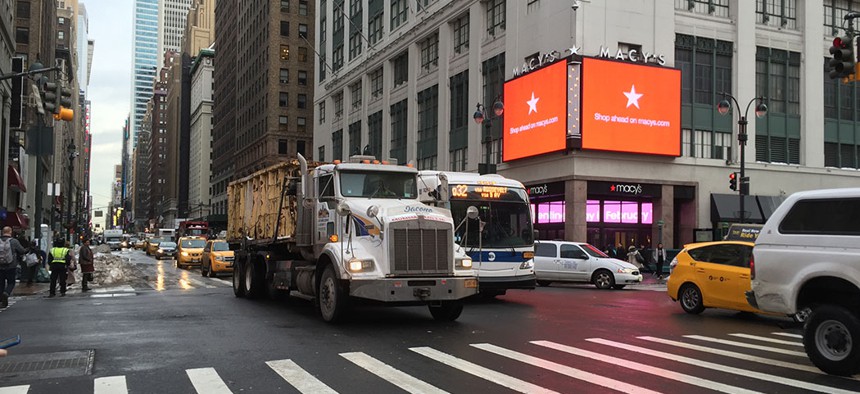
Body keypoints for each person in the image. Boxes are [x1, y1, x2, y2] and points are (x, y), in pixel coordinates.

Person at [0, 226, 27, 308]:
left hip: (0, 266)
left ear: (2, 232)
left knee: (1, 283)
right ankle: (6, 293)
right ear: (10, 232)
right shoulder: (14, 241)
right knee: (11, 282)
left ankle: (1, 300)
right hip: (11, 265)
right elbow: (22, 250)